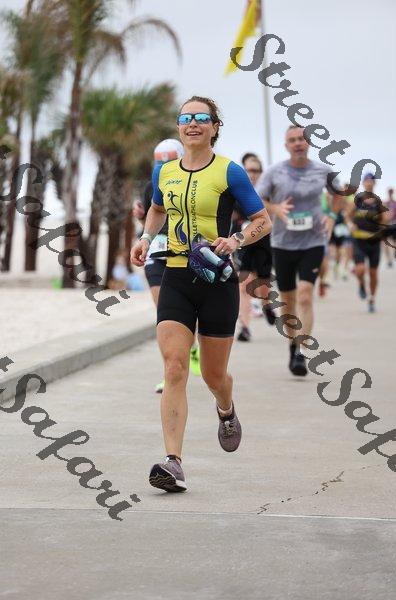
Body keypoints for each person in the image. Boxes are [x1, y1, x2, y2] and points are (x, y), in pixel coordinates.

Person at [131, 95, 271, 492]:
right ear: (179, 127)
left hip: (217, 282)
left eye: (202, 118)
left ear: (214, 127)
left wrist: (236, 239)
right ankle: (172, 462)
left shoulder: (230, 172)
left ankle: (226, 408)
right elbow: (157, 209)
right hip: (175, 276)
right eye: (186, 118)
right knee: (174, 366)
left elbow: (262, 220)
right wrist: (145, 238)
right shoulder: (164, 172)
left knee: (213, 374)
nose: (192, 123)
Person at [256, 125, 340, 376]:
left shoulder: (322, 171)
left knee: (305, 295)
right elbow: (258, 199)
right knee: (289, 299)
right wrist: (275, 208)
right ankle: (292, 346)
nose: (297, 143)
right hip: (282, 244)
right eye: (292, 140)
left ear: (309, 143)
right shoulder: (275, 172)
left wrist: (331, 216)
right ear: (286, 146)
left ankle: (301, 351)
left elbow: (339, 193)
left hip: (313, 242)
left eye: (301, 139)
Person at [133, 139, 201, 393]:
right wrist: (140, 219)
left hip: (185, 254)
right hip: (157, 252)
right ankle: (170, 371)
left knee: (187, 313)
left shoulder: (195, 183)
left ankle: (191, 349)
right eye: (159, 163)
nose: (163, 168)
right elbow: (151, 219)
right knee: (164, 314)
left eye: (169, 162)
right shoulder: (151, 185)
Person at [235, 153, 275, 342]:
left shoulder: (267, 193)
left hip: (264, 243)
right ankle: (245, 328)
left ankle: (267, 305)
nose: (251, 174)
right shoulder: (237, 190)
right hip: (243, 243)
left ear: (261, 172)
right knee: (243, 286)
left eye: (255, 170)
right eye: (248, 170)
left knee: (262, 286)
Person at [345, 173, 389, 312]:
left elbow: (385, 220)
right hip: (359, 240)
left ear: (374, 184)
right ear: (363, 183)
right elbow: (347, 216)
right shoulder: (357, 201)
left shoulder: (379, 202)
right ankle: (361, 285)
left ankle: (372, 299)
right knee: (360, 269)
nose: (369, 183)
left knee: (373, 273)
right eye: (366, 181)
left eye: (371, 181)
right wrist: (350, 224)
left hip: (374, 242)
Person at [382, 187, 396, 266]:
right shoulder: (385, 203)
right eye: (389, 192)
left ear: (393, 193)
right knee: (385, 242)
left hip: (394, 224)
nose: (390, 193)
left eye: (391, 192)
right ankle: (389, 260)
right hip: (386, 225)